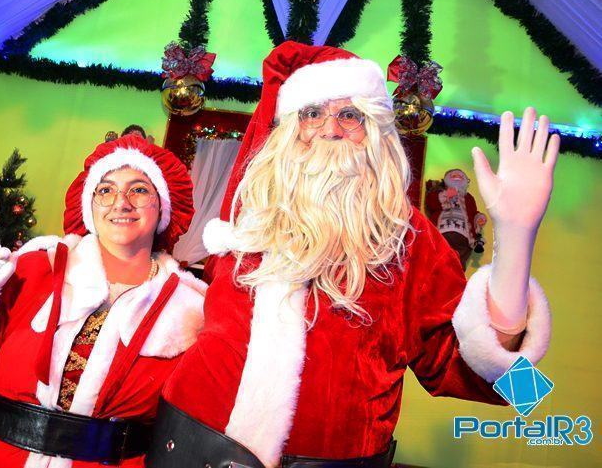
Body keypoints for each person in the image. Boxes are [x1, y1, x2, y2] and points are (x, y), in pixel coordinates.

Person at [147, 42, 555, 468]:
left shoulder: (409, 238)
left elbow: (498, 380)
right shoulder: (249, 217)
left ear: (375, 130)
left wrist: (516, 238)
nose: (329, 129)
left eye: (349, 115)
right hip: (189, 447)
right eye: (311, 113)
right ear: (288, 130)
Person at [0, 135, 207, 468]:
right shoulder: (34, 269)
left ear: (163, 206)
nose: (120, 202)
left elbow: (194, 426)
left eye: (139, 190)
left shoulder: (192, 310)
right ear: (89, 205)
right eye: (105, 189)